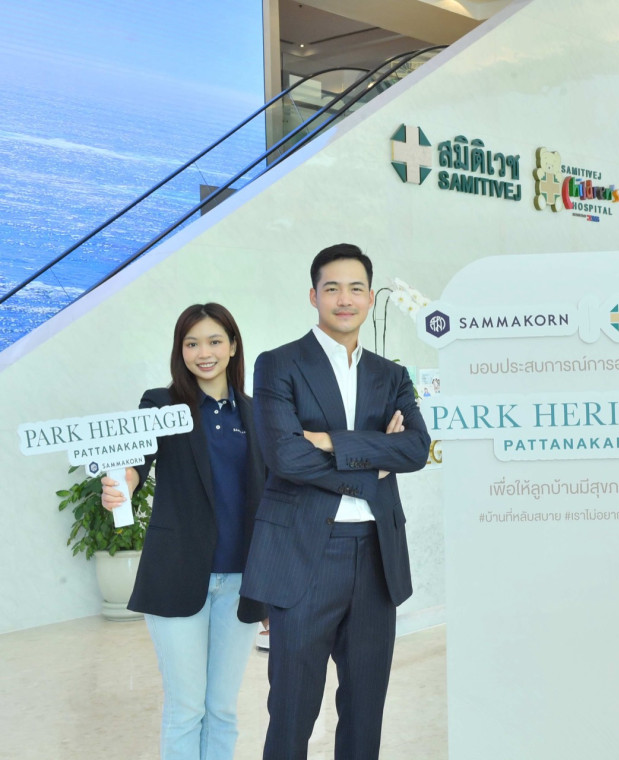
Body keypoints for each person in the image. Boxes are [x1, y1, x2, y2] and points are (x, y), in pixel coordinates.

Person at [241, 243, 430, 759]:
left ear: (369, 297)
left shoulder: (391, 375)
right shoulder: (278, 364)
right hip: (302, 557)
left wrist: (328, 440)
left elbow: (416, 448)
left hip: (377, 557)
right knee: (292, 714)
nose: (344, 299)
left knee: (365, 713)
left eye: (355, 288)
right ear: (314, 296)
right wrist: (375, 461)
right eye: (332, 288)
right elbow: (286, 457)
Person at [100, 303, 266, 760]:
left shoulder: (255, 413)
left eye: (214, 341)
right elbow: (136, 462)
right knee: (186, 708)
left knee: (222, 709)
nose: (203, 353)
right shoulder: (161, 404)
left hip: (240, 581)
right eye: (191, 343)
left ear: (233, 346)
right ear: (180, 351)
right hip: (177, 574)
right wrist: (122, 485)